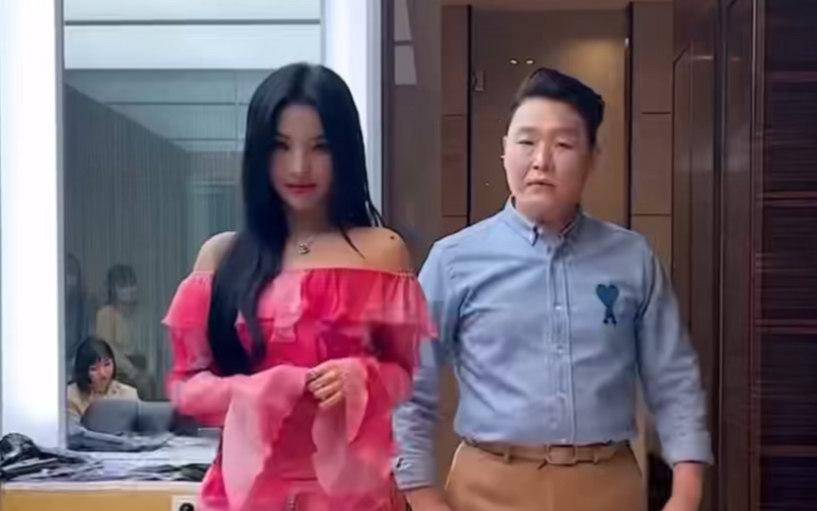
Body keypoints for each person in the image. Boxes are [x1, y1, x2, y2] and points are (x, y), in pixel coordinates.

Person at [393, 68, 710, 511]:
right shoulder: (454, 260)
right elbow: (408, 385)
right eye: (526, 141)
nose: (541, 160)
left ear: (592, 157)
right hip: (488, 487)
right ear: (504, 150)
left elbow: (673, 378)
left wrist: (686, 491)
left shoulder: (632, 258)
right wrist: (424, 497)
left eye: (562, 144)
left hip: (607, 486)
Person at [163, 63, 434, 511]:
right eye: (281, 146)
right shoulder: (222, 258)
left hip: (354, 498)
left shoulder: (382, 252)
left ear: (344, 151)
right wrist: (255, 392)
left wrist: (358, 377)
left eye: (320, 147)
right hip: (246, 496)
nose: (299, 166)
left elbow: (403, 376)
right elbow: (184, 387)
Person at [96, 264, 153, 397]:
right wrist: (133, 373)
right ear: (112, 289)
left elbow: (152, 346)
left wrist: (149, 371)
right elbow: (108, 348)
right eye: (123, 286)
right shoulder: (106, 314)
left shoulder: (144, 314)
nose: (130, 290)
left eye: (132, 284)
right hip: (117, 374)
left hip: (143, 371)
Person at [67, 337, 139, 421]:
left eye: (107, 364)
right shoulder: (70, 397)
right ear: (83, 371)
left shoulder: (129, 395)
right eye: (94, 369)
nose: (103, 374)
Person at [65, 252, 96, 373]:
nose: (70, 278)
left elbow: (88, 340)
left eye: (73, 273)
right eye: (67, 272)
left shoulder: (85, 304)